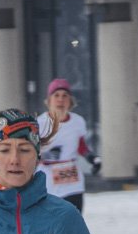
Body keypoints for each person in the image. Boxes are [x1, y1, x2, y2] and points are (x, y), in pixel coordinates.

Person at [36, 78, 102, 213]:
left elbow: (81, 146)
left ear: (70, 101)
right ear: (49, 100)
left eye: (65, 96)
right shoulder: (39, 124)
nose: (61, 100)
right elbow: (29, 151)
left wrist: (92, 158)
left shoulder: (77, 122)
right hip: (47, 177)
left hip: (71, 178)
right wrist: (46, 154)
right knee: (51, 222)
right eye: (56, 96)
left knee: (74, 219)